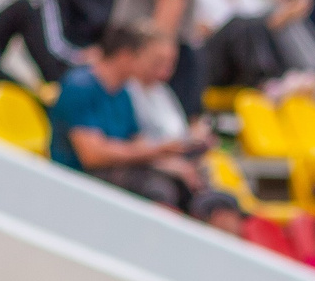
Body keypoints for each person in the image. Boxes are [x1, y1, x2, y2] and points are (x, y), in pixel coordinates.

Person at [49, 24, 202, 209]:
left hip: (112, 171)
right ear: (125, 56)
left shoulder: (123, 93)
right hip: (78, 177)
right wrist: (158, 151)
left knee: (188, 189)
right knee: (159, 189)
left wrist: (174, 165)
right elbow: (92, 155)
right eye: (145, 57)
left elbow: (137, 142)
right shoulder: (80, 85)